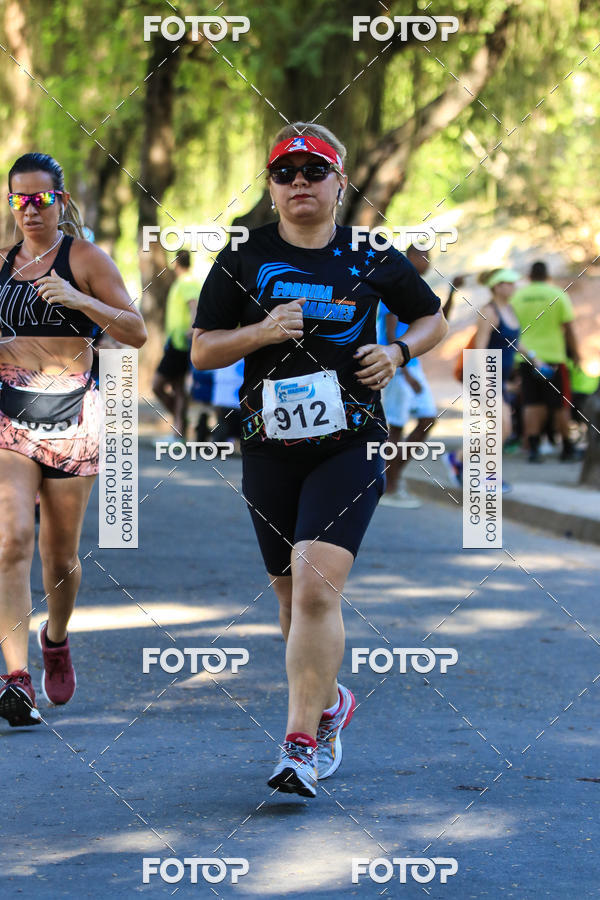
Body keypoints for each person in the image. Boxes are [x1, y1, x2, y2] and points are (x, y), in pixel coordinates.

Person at [191, 124, 447, 797]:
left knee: (313, 588)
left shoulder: (370, 253)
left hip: (351, 439)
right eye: (285, 173)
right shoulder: (244, 256)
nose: (299, 182)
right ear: (272, 186)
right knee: (287, 598)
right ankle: (330, 703)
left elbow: (433, 318)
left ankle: (300, 743)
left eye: (314, 170)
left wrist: (397, 353)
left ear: (338, 181)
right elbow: (202, 349)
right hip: (268, 445)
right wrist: (261, 331)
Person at [0, 152, 146, 727]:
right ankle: (15, 679)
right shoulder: (3, 264)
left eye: (42, 198)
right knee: (10, 540)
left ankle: (54, 638)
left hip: (73, 418)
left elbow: (133, 332)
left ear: (60, 200)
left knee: (58, 557)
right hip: (9, 417)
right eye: (20, 199)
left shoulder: (84, 257)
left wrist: (81, 299)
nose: (31, 209)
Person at [445, 268, 521, 491]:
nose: (514, 286)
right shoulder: (489, 311)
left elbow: (515, 342)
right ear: (497, 286)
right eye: (509, 283)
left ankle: (457, 459)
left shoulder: (511, 310)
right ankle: (486, 476)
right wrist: (487, 382)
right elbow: (479, 348)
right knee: (503, 426)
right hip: (485, 376)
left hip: (500, 378)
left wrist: (536, 360)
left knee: (501, 428)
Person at [378, 245, 441, 507]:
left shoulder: (418, 287)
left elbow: (436, 317)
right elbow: (391, 333)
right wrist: (402, 367)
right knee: (396, 426)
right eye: (424, 256)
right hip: (397, 362)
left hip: (412, 364)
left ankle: (390, 478)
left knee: (427, 419)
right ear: (410, 257)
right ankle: (389, 486)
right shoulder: (397, 284)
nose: (428, 261)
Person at [510, 261, 580, 462]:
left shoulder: (517, 296)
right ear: (546, 275)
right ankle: (567, 448)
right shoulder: (557, 294)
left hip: (526, 358)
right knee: (560, 404)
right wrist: (575, 353)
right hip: (553, 358)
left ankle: (533, 448)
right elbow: (569, 328)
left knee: (531, 403)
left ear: (529, 275)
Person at [152, 251, 202, 439]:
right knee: (179, 388)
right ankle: (179, 428)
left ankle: (180, 424)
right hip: (176, 341)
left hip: (180, 343)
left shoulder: (187, 282)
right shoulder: (186, 282)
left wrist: (193, 327)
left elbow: (193, 305)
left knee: (158, 385)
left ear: (175, 263)